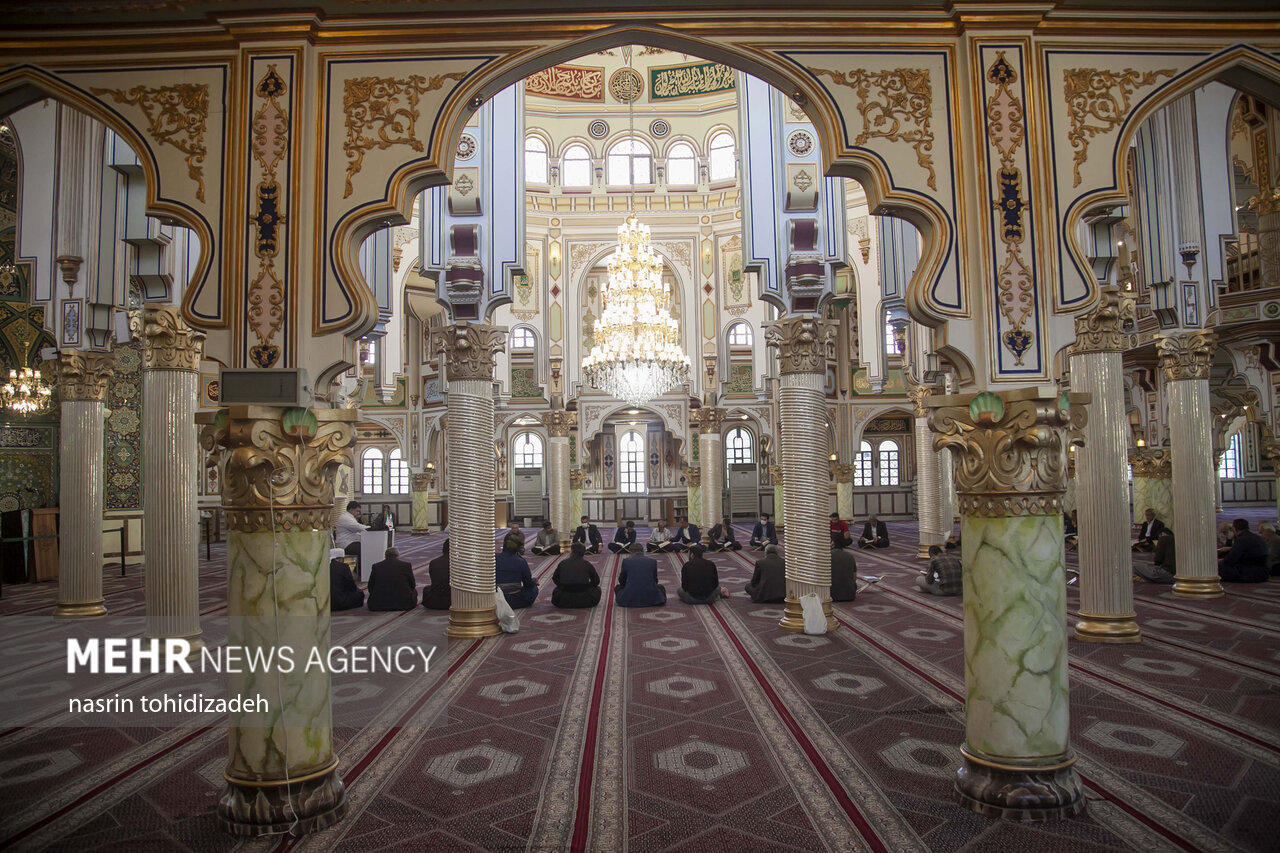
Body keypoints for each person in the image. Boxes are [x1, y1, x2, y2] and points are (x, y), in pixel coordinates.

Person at [1218, 518, 1270, 583]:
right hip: (1263, 573)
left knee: (1219, 567)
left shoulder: (1241, 540)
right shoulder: (1258, 537)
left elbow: (1230, 560)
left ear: (1234, 528)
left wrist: (1220, 561)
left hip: (1249, 573)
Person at [551, 542, 601, 608]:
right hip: (584, 600)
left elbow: (555, 579)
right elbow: (596, 582)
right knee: (597, 590)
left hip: (563, 600)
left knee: (556, 590)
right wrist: (586, 586)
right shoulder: (587, 564)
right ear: (583, 553)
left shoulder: (563, 563)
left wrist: (563, 586)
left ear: (572, 552)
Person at [367, 546, 417, 611]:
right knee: (414, 592)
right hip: (403, 604)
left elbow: (370, 586)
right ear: (398, 556)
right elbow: (412, 584)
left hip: (378, 604)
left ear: (385, 556)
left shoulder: (376, 566)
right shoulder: (405, 565)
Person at [496, 532, 539, 608]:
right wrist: (534, 581)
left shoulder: (494, 558)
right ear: (518, 548)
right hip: (514, 600)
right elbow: (528, 583)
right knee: (534, 589)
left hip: (495, 599)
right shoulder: (521, 561)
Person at [421, 539, 452, 609]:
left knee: (426, 589)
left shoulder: (434, 562)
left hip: (435, 601)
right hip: (455, 601)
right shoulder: (460, 563)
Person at [830, 532, 858, 601]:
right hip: (850, 594)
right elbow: (854, 578)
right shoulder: (850, 556)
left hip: (832, 595)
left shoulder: (827, 556)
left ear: (833, 543)